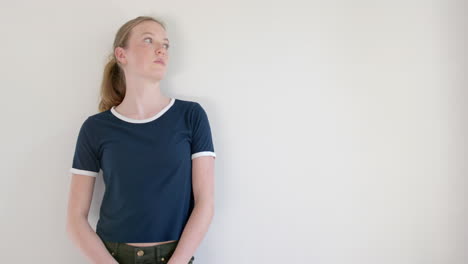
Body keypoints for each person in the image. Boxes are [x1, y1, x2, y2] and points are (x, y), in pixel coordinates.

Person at [65, 15, 216, 264]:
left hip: (174, 257)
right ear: (122, 55)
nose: (161, 50)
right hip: (113, 257)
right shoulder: (95, 128)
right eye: (148, 40)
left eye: (166, 44)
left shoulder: (190, 116)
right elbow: (75, 218)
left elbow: (205, 203)